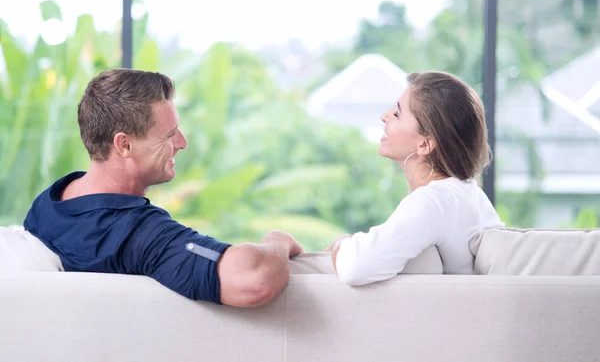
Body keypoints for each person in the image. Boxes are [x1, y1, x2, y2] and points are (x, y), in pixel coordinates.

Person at [24, 69, 303, 307]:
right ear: (124, 144)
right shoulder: (136, 234)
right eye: (170, 134)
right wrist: (279, 238)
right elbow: (255, 279)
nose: (182, 143)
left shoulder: (49, 204)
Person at [324, 71, 504, 285]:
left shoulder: (432, 201)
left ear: (425, 144)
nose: (384, 116)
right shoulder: (470, 193)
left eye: (397, 114)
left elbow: (356, 267)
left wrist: (340, 244)